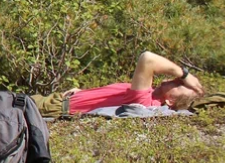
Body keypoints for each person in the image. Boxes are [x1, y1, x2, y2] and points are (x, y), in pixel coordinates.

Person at [30, 51, 205, 118]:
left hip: (53, 108)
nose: (172, 79)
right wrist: (83, 92)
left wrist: (184, 74)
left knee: (4, 103)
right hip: (60, 99)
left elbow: (148, 58)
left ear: (170, 102)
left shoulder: (144, 101)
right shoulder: (148, 92)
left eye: (177, 84)